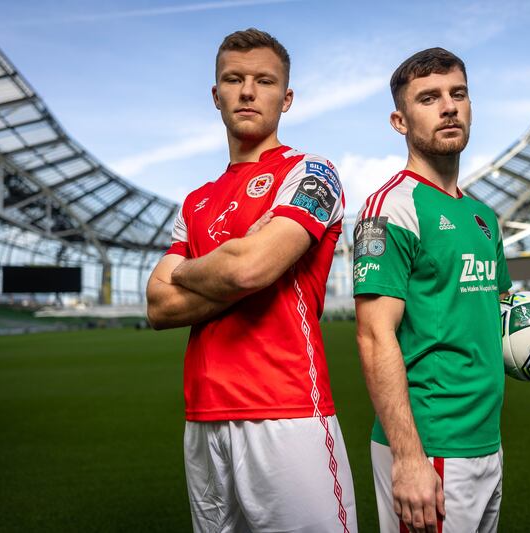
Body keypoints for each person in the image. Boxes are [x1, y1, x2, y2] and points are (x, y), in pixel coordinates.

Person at [352, 48, 530, 533]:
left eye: (458, 93)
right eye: (429, 97)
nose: (448, 106)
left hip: (485, 442)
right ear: (400, 120)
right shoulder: (389, 210)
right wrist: (409, 458)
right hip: (430, 446)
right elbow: (375, 337)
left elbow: (498, 312)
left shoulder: (483, 217)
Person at [146, 28, 356, 533]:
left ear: (286, 98)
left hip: (287, 411)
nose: (246, 91)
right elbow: (157, 305)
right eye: (233, 79)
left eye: (263, 81)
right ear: (215, 95)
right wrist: (233, 263)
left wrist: (196, 270)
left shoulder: (312, 175)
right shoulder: (196, 201)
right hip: (203, 415)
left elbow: (250, 268)